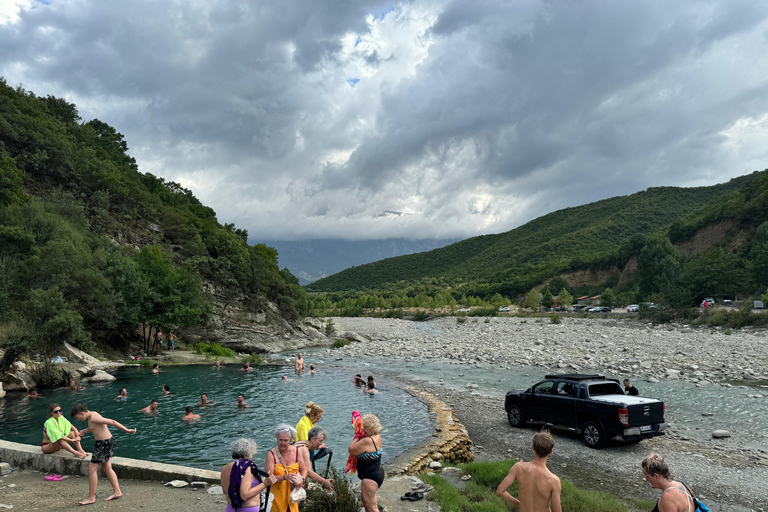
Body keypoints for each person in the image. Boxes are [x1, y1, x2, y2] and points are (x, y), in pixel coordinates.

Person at [70, 403, 137, 505]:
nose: (77, 419)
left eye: (77, 417)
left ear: (82, 413)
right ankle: (117, 491)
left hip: (103, 444)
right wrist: (83, 431)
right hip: (107, 442)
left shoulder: (93, 417)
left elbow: (112, 422)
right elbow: (94, 427)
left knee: (92, 469)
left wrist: (127, 430)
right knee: (107, 467)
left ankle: (91, 497)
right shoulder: (93, 416)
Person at [496, 430, 562, 512]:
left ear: (533, 447)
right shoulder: (554, 481)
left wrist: (516, 502)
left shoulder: (518, 468)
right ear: (551, 452)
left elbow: (500, 491)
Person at [221, 438, 273, 512]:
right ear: (246, 454)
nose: (251, 457)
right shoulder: (246, 468)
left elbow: (225, 491)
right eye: (251, 454)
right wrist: (265, 483)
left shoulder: (224, 468)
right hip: (247, 509)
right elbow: (244, 495)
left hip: (231, 508)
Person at [265, 424, 307, 512]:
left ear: (291, 440)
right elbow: (269, 479)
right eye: (280, 440)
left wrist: (302, 479)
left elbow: (304, 469)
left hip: (292, 495)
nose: (282, 443)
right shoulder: (271, 455)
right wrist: (284, 477)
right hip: (276, 496)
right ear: (277, 439)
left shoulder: (296, 451)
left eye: (286, 440)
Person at [348, 414, 384, 512]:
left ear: (373, 427)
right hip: (377, 472)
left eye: (366, 427)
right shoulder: (377, 436)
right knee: (369, 504)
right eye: (363, 426)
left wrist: (357, 436)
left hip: (370, 477)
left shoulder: (368, 441)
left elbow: (351, 449)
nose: (363, 429)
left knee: (371, 508)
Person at [294, 426, 334, 492]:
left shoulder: (301, 443)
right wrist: (324, 481)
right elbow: (308, 472)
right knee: (306, 476)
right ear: (312, 439)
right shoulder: (304, 449)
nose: (322, 443)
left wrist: (319, 446)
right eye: (320, 441)